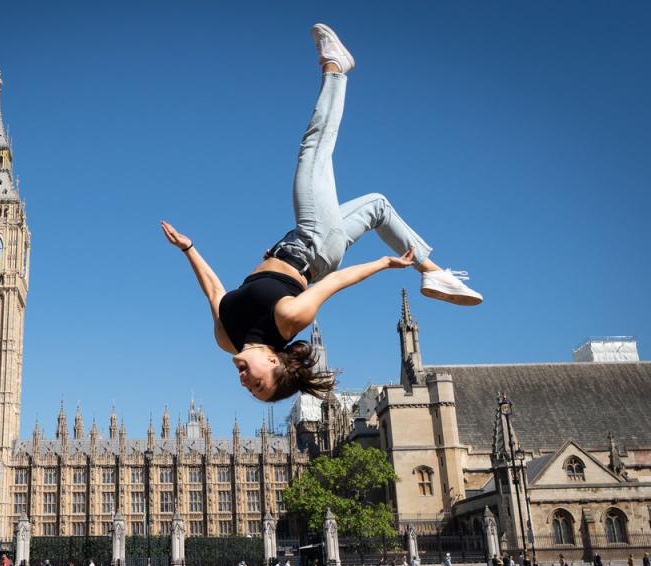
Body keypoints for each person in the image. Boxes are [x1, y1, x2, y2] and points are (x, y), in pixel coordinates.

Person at [161, 23, 482, 403]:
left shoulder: (225, 338)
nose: (246, 384)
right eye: (260, 385)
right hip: (313, 247)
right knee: (313, 149)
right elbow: (334, 283)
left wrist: (189, 249)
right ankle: (335, 68)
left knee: (378, 205)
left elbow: (214, 291)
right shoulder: (291, 320)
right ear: (275, 363)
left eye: (250, 391)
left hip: (303, 245)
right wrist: (384, 263)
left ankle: (434, 273)